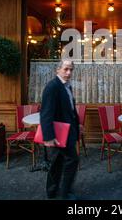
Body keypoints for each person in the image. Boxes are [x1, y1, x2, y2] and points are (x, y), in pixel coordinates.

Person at [41, 60, 80, 200]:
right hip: (59, 133)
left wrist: (77, 125)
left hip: (68, 131)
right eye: (66, 69)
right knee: (72, 160)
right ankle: (65, 193)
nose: (68, 72)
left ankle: (52, 192)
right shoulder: (52, 87)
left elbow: (70, 109)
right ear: (58, 70)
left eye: (71, 70)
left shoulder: (66, 86)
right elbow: (46, 113)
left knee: (57, 163)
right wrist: (48, 137)